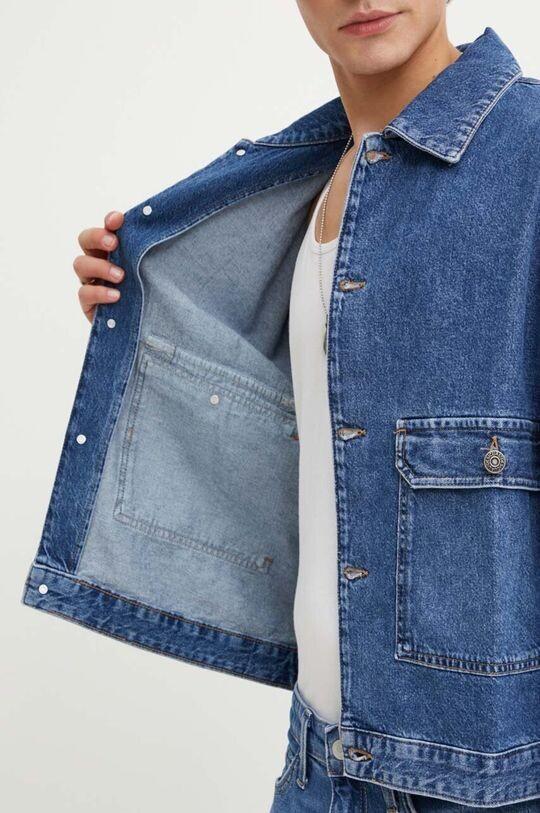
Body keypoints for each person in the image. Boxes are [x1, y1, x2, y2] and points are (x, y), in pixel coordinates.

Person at [25, 2, 540, 811]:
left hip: (485, 785)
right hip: (317, 768)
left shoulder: (531, 160)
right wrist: (148, 310)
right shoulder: (314, 178)